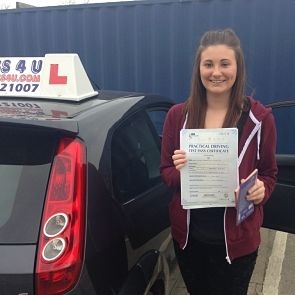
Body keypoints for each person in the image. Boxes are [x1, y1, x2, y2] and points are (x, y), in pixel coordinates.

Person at [160, 28, 277, 295]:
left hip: (237, 245)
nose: (216, 72)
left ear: (237, 67)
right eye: (208, 64)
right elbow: (165, 172)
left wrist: (261, 190)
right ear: (199, 69)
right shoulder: (178, 116)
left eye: (225, 64)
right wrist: (184, 171)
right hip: (190, 241)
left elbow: (269, 174)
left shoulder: (260, 119)